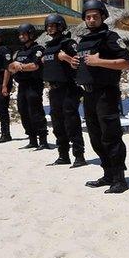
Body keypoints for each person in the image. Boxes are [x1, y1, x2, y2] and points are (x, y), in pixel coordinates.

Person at [71, 0, 129, 194]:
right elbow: (86, 63)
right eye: (88, 17)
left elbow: (126, 63)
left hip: (106, 93)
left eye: (95, 17)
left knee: (111, 136)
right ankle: (107, 174)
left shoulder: (110, 37)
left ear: (103, 17)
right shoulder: (83, 41)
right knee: (96, 137)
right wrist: (76, 63)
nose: (91, 20)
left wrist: (99, 62)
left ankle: (119, 179)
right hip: (87, 94)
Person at [41, 14, 87, 167]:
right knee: (57, 124)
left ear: (61, 26)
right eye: (48, 26)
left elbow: (79, 63)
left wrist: (65, 57)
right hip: (54, 90)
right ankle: (63, 155)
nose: (50, 28)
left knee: (71, 122)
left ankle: (79, 156)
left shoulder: (69, 43)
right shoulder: (48, 47)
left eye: (53, 25)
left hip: (69, 89)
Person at [4, 23, 49, 150]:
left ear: (31, 34)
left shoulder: (38, 49)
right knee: (23, 112)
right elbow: (10, 67)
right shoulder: (20, 52)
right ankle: (32, 139)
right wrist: (16, 66)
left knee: (35, 112)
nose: (22, 36)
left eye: (24, 34)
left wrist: (20, 66)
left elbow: (35, 65)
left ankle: (43, 140)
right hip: (22, 85)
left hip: (34, 84)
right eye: (20, 34)